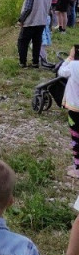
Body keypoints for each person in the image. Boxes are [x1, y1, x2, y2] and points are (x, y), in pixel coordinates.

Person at [16, 0, 52, 68]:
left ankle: (22, 62)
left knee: (22, 41)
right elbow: (49, 8)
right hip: (42, 21)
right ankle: (35, 62)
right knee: (37, 42)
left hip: (31, 21)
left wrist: (21, 20)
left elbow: (27, 8)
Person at [57, 47, 79, 177]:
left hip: (75, 109)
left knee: (76, 136)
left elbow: (61, 71)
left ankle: (78, 168)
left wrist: (69, 58)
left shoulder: (74, 65)